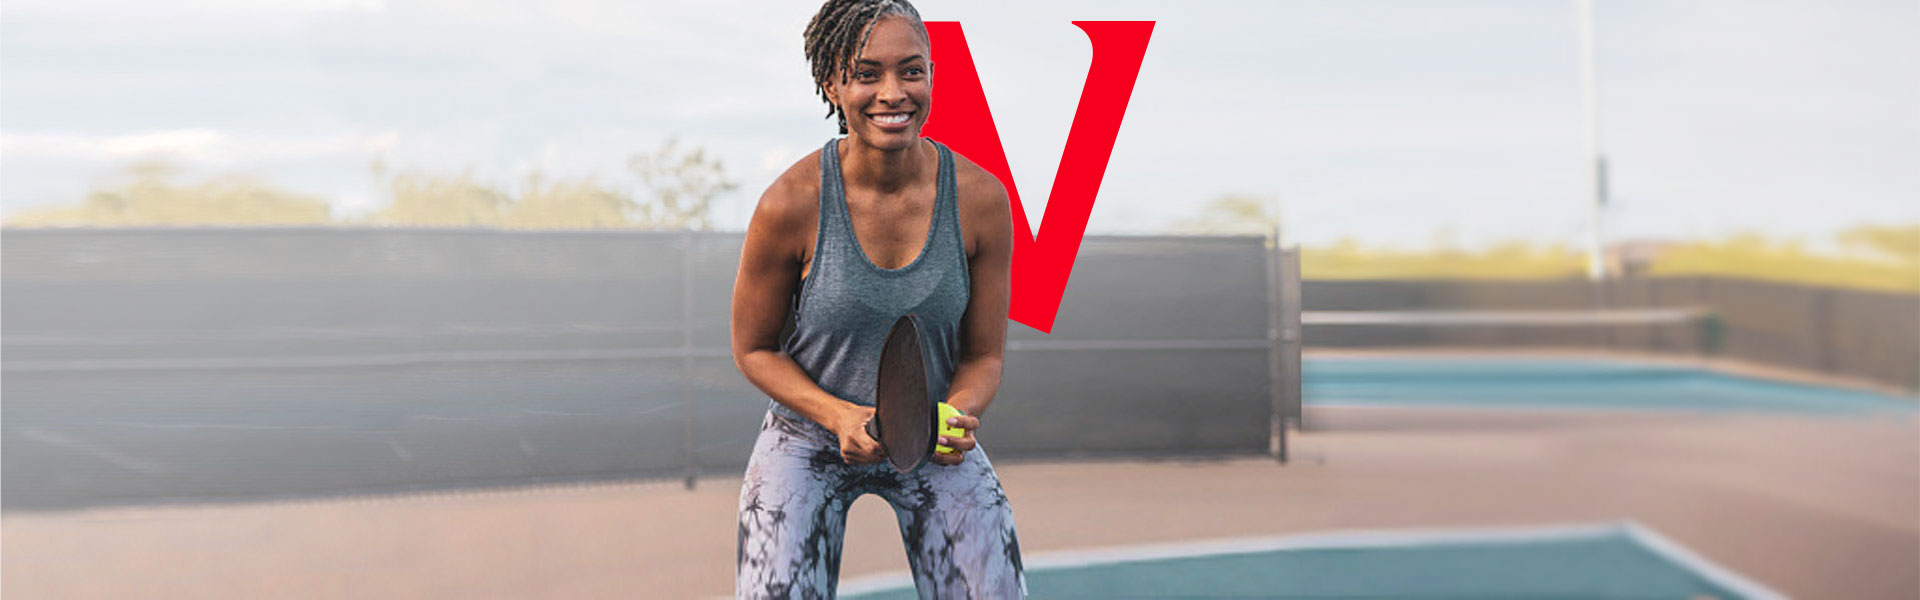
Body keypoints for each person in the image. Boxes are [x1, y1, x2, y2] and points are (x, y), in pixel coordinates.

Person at [728, 0, 1025, 597]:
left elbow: (984, 356)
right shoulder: (789, 202)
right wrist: (838, 415)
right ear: (832, 83)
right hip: (808, 436)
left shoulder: (981, 199)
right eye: (867, 74)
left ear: (933, 77)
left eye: (911, 71)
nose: (893, 92)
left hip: (929, 437)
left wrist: (957, 412)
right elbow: (754, 348)